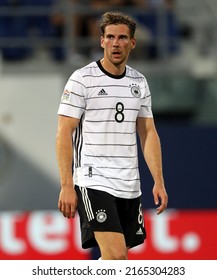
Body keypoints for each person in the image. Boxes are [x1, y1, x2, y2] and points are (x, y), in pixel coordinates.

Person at [56, 11, 168, 260]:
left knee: (116, 261)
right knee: (116, 256)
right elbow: (64, 133)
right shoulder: (82, 79)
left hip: (129, 183)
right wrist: (66, 185)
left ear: (132, 42)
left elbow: (148, 133)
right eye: (110, 37)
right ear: (102, 41)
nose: (116, 43)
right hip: (94, 179)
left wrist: (158, 180)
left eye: (122, 37)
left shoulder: (139, 82)